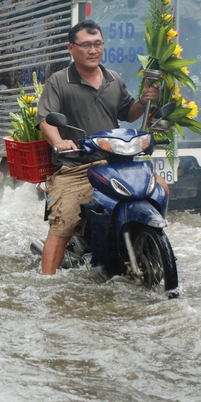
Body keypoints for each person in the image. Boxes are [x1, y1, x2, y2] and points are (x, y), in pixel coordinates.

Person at [36, 19, 162, 275]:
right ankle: (45, 283)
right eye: (86, 45)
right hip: (76, 167)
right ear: (71, 48)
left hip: (114, 164)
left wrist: (143, 99)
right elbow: (44, 119)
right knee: (64, 221)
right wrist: (59, 141)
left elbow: (128, 112)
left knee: (161, 189)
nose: (93, 50)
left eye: (97, 44)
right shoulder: (59, 81)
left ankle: (148, 245)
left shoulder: (113, 79)